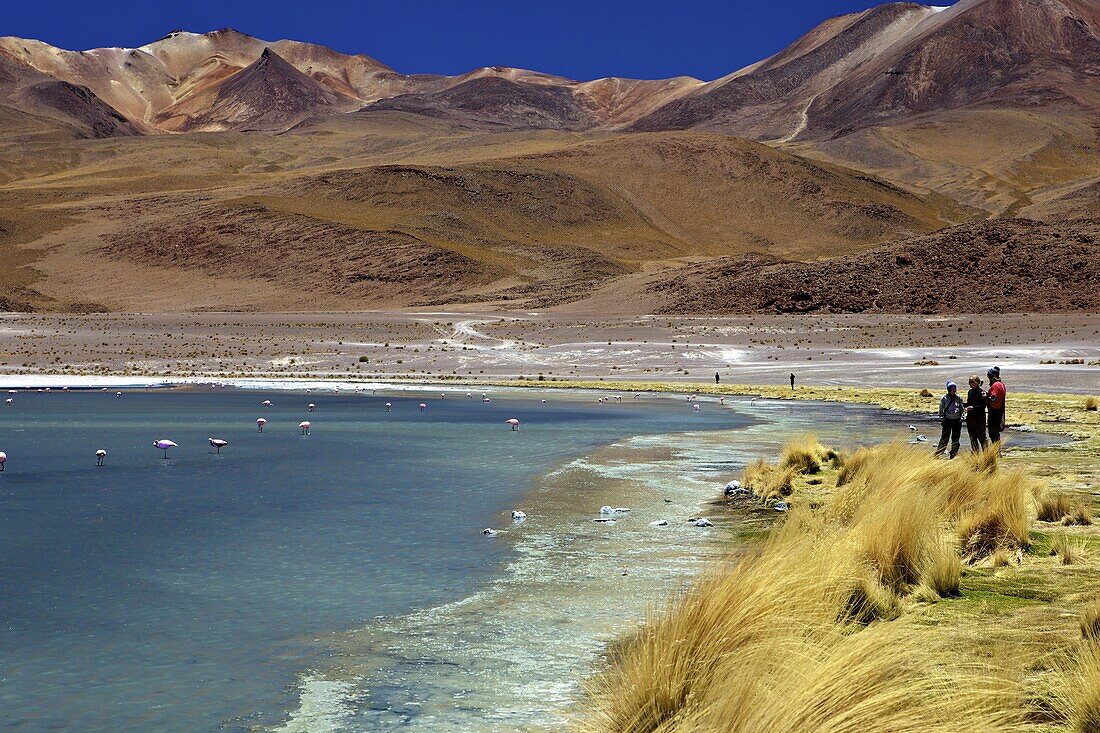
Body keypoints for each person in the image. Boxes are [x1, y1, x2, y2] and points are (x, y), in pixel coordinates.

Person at [935, 381, 964, 459]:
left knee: (956, 438)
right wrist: (942, 419)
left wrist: (961, 418)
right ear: (948, 389)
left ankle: (953, 454)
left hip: (957, 421)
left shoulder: (958, 398)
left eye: (954, 388)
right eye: (951, 389)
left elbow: (962, 409)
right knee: (944, 438)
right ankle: (938, 453)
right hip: (947, 420)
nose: (953, 390)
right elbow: (941, 409)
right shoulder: (944, 398)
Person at [964, 374, 988, 452]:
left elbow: (982, 406)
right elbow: (969, 403)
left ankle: (987, 454)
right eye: (970, 382)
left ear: (977, 382)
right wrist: (963, 405)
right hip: (970, 418)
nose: (971, 384)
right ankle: (975, 454)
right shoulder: (970, 392)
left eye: (973, 382)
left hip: (979, 418)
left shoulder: (982, 393)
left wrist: (973, 408)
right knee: (972, 437)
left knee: (981, 437)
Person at [986, 367, 1006, 445]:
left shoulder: (995, 385)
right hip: (999, 411)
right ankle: (997, 451)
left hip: (994, 412)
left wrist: (986, 397)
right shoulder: (1001, 384)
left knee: (993, 434)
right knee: (996, 434)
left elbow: (993, 398)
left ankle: (996, 452)